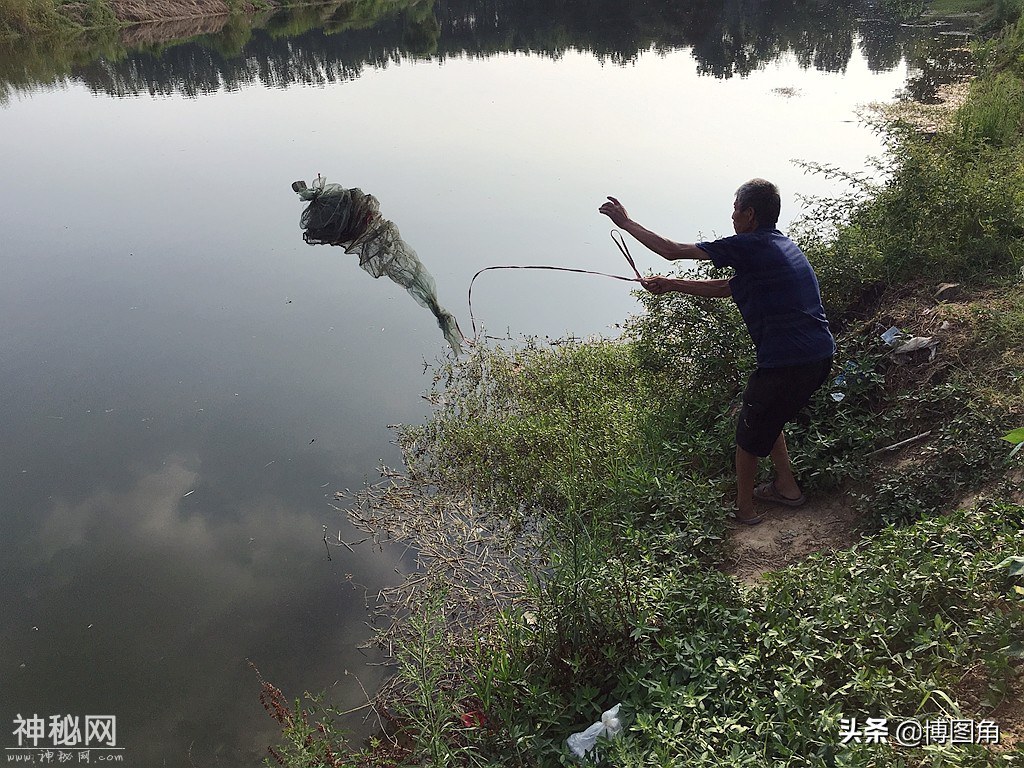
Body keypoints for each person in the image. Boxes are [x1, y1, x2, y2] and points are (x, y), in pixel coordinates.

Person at [599, 179, 835, 525]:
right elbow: (729, 287)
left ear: (750, 215)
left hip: (787, 361)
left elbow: (671, 250)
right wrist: (672, 285)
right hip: (819, 355)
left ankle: (744, 510)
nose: (732, 216)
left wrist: (625, 223)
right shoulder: (779, 245)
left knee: (749, 430)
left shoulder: (750, 245)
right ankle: (787, 488)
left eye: (736, 208)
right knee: (770, 417)